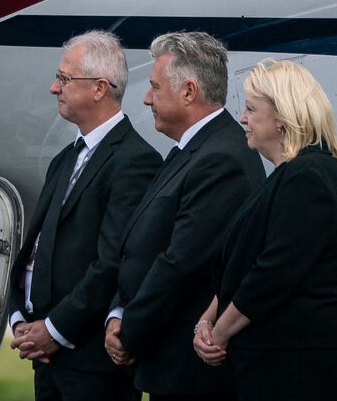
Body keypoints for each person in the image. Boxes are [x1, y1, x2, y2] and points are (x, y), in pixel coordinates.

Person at [104, 31, 264, 401]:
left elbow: (180, 263)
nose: (146, 99)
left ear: (189, 91)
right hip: (170, 364)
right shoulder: (192, 150)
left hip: (192, 376)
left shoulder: (221, 159)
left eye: (155, 87)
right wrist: (118, 311)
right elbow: (142, 247)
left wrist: (129, 332)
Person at [193, 60, 337, 401]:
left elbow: (272, 274)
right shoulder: (293, 176)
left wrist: (219, 334)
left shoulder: (308, 178)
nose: (242, 118)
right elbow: (243, 267)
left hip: (294, 366)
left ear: (282, 120)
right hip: (278, 361)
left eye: (252, 109)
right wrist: (205, 325)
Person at [8, 31, 160, 401]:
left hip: (92, 364)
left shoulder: (135, 162)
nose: (53, 88)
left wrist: (56, 330)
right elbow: (36, 248)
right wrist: (20, 318)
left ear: (99, 88)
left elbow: (113, 263)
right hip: (46, 358)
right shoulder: (64, 160)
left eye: (63, 78)